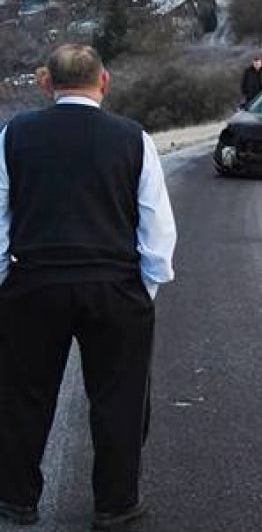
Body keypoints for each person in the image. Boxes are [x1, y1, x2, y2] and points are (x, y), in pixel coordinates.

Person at [0, 45, 176, 529]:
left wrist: (6, 283)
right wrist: (145, 287)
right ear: (104, 80)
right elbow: (157, 225)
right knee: (118, 399)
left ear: (45, 83)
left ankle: (17, 498)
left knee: (23, 397)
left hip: (35, 283)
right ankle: (115, 504)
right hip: (114, 285)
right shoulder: (133, 138)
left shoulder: (14, 135)